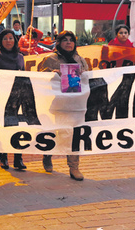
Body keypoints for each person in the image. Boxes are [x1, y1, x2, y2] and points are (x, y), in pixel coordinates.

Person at [38, 30, 89, 181]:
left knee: (74, 136)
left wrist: (84, 74)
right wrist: (52, 75)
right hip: (58, 103)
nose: (68, 42)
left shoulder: (80, 60)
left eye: (71, 40)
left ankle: (74, 167)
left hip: (76, 104)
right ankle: (47, 154)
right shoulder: (50, 59)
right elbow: (39, 78)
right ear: (58, 43)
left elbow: (89, 78)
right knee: (57, 133)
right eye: (64, 40)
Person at [0, 29, 27, 170]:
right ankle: (3, 157)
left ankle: (18, 158)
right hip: (1, 97)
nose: (8, 41)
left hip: (17, 98)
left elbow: (25, 76)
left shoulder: (20, 57)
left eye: (11, 38)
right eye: (5, 38)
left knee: (18, 128)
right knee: (4, 127)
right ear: (0, 41)